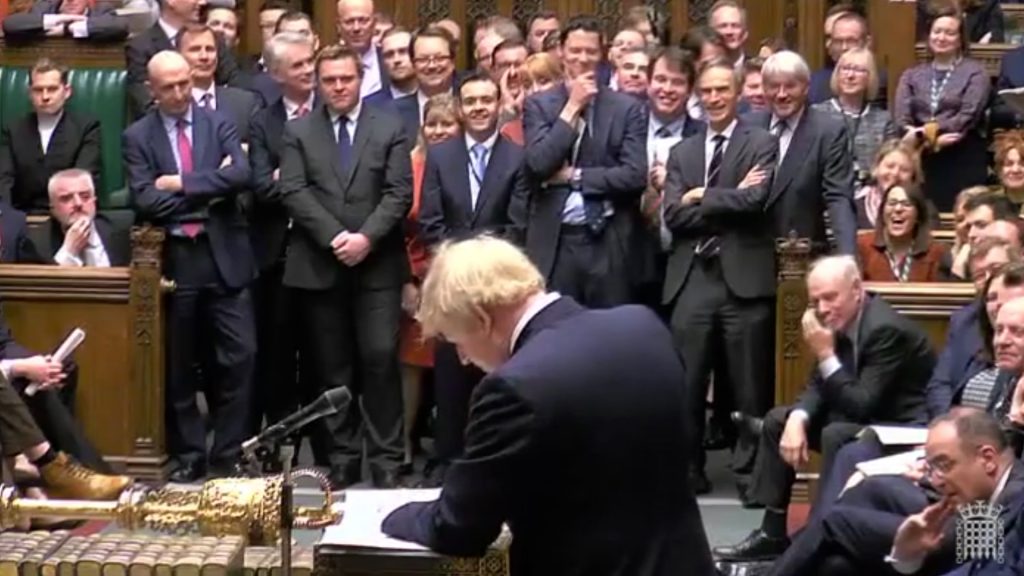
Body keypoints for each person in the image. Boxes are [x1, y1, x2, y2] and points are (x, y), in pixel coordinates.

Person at [381, 235, 714, 576]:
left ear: (482, 319)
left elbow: (458, 528)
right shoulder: (644, 326)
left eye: (458, 343)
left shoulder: (514, 387)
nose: (464, 359)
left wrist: (391, 515)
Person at [716, 255, 934, 562]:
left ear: (857, 289)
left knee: (836, 433)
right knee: (780, 419)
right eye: (815, 300)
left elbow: (862, 404)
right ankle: (772, 533)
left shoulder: (885, 329)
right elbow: (819, 385)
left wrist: (824, 353)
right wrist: (798, 418)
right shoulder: (843, 320)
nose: (822, 309)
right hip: (866, 417)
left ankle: (820, 533)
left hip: (901, 428)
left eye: (830, 297)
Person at [279, 44, 412, 489]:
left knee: (379, 358)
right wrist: (337, 237)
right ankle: (342, 457)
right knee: (331, 368)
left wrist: (366, 239)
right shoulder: (298, 131)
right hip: (321, 262)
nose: (338, 87)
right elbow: (294, 191)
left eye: (346, 79)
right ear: (318, 82)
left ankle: (388, 460)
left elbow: (398, 193)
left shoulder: (390, 125)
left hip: (377, 265)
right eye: (330, 80)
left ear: (361, 80)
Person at [123, 51, 256, 482]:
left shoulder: (218, 122)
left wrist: (180, 183)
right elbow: (145, 199)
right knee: (179, 363)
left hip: (224, 256)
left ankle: (228, 452)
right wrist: (207, 188)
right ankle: (191, 453)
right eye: (170, 87)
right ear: (151, 90)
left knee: (241, 356)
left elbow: (241, 174)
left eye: (185, 83)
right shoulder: (137, 136)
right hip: (176, 259)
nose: (180, 93)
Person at [662, 57, 777, 495]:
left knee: (750, 388)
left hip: (744, 281)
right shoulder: (682, 151)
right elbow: (674, 215)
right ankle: (688, 471)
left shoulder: (761, 142)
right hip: (693, 278)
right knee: (686, 385)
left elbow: (757, 201)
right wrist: (726, 199)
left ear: (737, 94)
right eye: (706, 91)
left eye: (721, 90)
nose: (713, 98)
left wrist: (702, 196)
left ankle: (750, 476)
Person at [417, 72, 528, 486]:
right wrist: (460, 272)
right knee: (450, 375)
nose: (479, 107)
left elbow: (517, 225)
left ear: (499, 104)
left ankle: (495, 459)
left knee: (497, 375)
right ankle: (448, 460)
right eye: (471, 101)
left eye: (487, 99)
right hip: (451, 282)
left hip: (498, 287)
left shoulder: (517, 156)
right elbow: (430, 223)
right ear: (460, 109)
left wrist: (484, 274)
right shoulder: (441, 156)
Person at [522, 15, 647, 308]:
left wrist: (574, 176)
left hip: (607, 236)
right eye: (575, 50)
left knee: (610, 334)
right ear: (561, 52)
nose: (582, 58)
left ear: (602, 55)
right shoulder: (539, 105)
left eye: (590, 51)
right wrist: (573, 106)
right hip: (556, 239)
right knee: (557, 330)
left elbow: (634, 176)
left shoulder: (626, 107)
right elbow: (539, 164)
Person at [247, 31, 317, 438]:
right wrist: (300, 180)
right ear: (276, 73)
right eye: (298, 65)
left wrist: (287, 177)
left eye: (311, 61)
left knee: (322, 351)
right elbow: (260, 186)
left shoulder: (330, 110)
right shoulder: (263, 122)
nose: (308, 70)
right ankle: (278, 437)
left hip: (324, 247)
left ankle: (321, 436)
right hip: (276, 252)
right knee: (276, 350)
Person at [746, 50, 857, 256]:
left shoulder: (828, 132)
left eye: (790, 86)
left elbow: (838, 198)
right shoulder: (747, 127)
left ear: (806, 87)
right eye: (773, 86)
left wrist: (848, 257)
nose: (781, 94)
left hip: (801, 254)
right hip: (749, 256)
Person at [0, 58, 101, 213]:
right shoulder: (13, 130)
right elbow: (4, 180)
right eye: (38, 90)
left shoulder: (86, 127)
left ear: (66, 91)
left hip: (70, 215)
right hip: (21, 216)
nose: (45, 96)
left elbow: (83, 179)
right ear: (30, 93)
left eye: (52, 89)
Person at [41, 169, 130, 267]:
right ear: (53, 208)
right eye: (66, 198)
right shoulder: (39, 243)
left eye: (85, 196)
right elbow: (48, 281)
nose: (78, 203)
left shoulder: (121, 231)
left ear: (94, 201)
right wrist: (69, 251)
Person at [1, 0, 128, 41]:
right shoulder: (46, 7)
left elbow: (120, 26)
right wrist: (60, 19)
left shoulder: (101, 10)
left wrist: (66, 29)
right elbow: (10, 25)